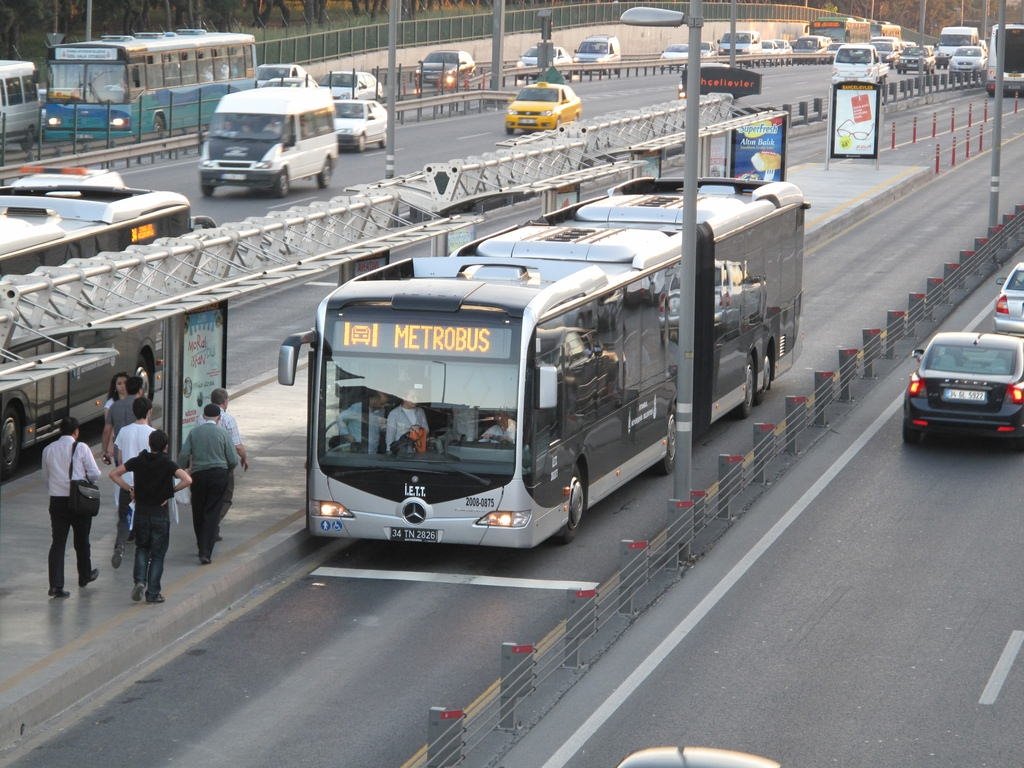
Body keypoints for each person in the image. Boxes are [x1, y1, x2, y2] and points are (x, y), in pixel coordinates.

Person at [111, 430, 191, 605]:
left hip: (141, 513)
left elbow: (114, 474)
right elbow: (187, 480)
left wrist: (129, 489)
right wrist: (170, 493)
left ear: (150, 444)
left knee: (142, 548)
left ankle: (139, 581)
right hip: (159, 515)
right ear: (166, 446)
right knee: (158, 554)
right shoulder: (167, 463)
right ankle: (153, 593)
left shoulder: (139, 461)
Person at [41, 418, 101, 598]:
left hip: (57, 501)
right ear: (76, 431)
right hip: (79, 500)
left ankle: (56, 586)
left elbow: (46, 477)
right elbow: (95, 473)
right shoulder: (81, 448)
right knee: (82, 540)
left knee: (58, 543)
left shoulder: (48, 449)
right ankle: (84, 575)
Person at [178, 404, 238, 565]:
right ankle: (206, 552)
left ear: (203, 417)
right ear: (219, 418)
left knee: (198, 510)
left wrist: (181, 469)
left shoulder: (194, 432)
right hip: (219, 475)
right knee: (212, 512)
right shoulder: (223, 433)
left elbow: (184, 454)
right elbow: (233, 459)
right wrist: (227, 470)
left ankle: (201, 545)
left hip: (199, 475)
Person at [110, 397, 155, 568]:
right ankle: (144, 554)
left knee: (124, 517)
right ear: (149, 411)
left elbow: (120, 459)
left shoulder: (124, 431)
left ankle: (120, 545)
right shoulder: (152, 433)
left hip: (127, 483)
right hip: (145, 485)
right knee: (144, 518)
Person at [104, 375, 145, 566]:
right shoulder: (141, 405)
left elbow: (107, 430)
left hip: (123, 460)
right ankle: (137, 532)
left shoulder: (114, 407)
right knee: (142, 499)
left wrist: (105, 450)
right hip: (142, 460)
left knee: (125, 501)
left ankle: (124, 536)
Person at [209, 388, 248, 539]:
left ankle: (212, 526)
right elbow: (237, 446)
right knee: (226, 497)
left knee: (209, 498)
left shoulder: (200, 418)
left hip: (204, 465)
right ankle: (212, 524)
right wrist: (244, 458)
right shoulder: (228, 419)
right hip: (223, 466)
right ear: (225, 402)